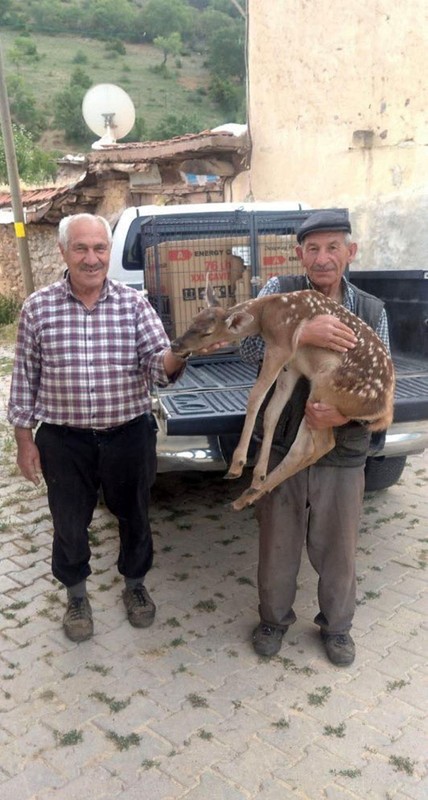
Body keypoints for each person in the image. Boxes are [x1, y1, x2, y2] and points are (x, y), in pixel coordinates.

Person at [7, 213, 192, 643]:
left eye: (100, 249)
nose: (92, 259)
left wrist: (185, 349)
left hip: (128, 434)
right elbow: (25, 381)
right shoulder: (38, 308)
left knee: (135, 516)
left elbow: (158, 368)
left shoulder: (134, 305)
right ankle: (75, 595)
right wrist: (23, 441)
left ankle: (134, 586)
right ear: (63, 252)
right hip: (64, 441)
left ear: (109, 252)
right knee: (69, 523)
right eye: (81, 248)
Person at [240, 210, 390, 666]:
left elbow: (379, 387)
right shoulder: (276, 292)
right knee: (277, 541)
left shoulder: (370, 310)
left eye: (332, 247)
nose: (322, 258)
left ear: (350, 252)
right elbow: (247, 349)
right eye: (313, 248)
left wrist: (342, 416)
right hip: (284, 444)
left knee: (338, 546)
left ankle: (337, 627)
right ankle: (273, 618)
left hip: (341, 451)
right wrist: (302, 330)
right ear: (299, 253)